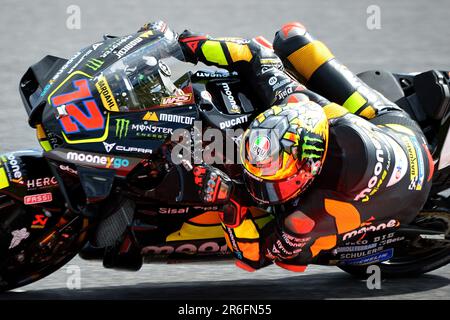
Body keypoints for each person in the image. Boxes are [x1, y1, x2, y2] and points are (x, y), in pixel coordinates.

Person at [140, 21, 435, 271]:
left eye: (276, 178)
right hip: (381, 130)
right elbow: (254, 53)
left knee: (290, 253)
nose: (259, 179)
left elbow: (257, 257)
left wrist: (229, 201)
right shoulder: (303, 105)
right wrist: (187, 45)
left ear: (309, 173)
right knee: (291, 37)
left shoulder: (308, 214)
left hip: (403, 162)